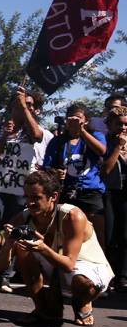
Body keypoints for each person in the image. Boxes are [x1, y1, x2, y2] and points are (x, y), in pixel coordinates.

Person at [0, 170, 114, 326]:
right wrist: (9, 243)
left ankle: (82, 303)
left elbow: (70, 264)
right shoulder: (24, 217)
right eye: (27, 197)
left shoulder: (72, 216)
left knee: (83, 286)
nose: (29, 203)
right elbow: (0, 266)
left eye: (36, 198)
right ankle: (42, 308)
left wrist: (43, 248)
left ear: (54, 197)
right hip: (56, 264)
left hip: (85, 266)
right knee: (22, 249)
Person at [0, 87, 51, 292]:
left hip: (20, 190)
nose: (23, 107)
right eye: (19, 104)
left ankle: (5, 276)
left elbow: (36, 135)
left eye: (29, 105)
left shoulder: (32, 130)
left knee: (14, 231)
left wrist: (25, 111)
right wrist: (5, 137)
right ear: (10, 107)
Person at [42, 103, 107, 242]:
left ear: (86, 120)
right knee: (66, 232)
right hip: (67, 191)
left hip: (91, 191)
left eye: (78, 118)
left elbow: (101, 151)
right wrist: (56, 173)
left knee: (97, 234)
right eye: (70, 118)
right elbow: (47, 166)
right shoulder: (58, 141)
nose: (74, 121)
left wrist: (82, 131)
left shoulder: (96, 135)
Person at [101, 105, 127, 291]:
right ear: (110, 125)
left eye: (126, 125)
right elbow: (106, 169)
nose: (123, 128)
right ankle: (108, 275)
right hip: (110, 192)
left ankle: (123, 276)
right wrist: (118, 147)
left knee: (125, 236)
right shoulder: (104, 142)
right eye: (119, 124)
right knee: (110, 236)